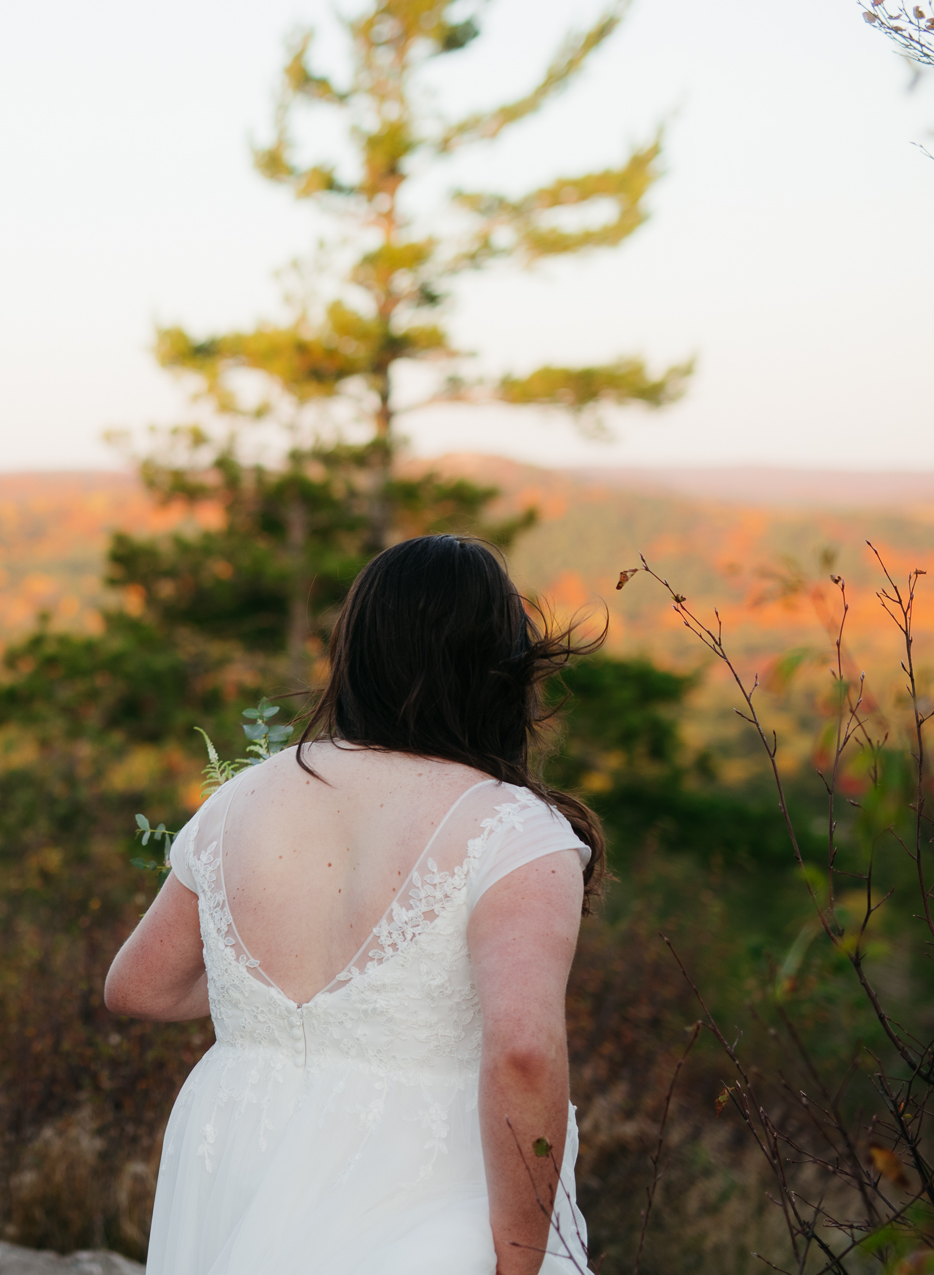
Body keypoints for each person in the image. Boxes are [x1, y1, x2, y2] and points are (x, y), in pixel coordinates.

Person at [106, 534, 601, 1275]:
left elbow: (138, 985)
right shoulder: (512, 830)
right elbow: (524, 1051)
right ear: (500, 665)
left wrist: (269, 1005)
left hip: (242, 1154)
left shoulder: (242, 798)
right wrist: (525, 1262)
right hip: (417, 1185)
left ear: (355, 654)